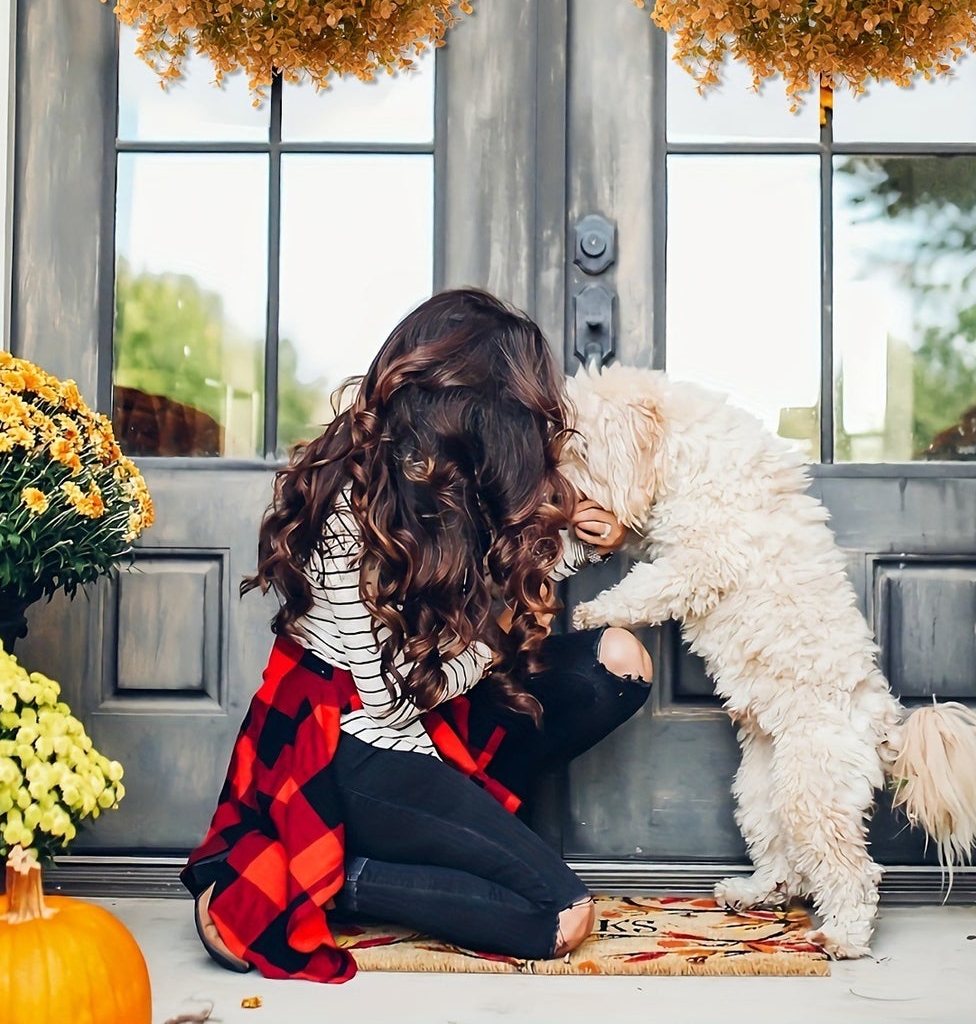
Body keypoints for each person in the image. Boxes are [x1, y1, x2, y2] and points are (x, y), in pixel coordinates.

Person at [182, 288, 653, 981]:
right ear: (473, 407)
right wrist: (492, 645)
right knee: (557, 916)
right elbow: (389, 703)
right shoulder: (348, 495)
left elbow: (527, 565)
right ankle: (330, 874)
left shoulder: (459, 475)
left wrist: (604, 539)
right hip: (354, 736)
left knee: (619, 658)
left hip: (431, 702)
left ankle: (463, 832)